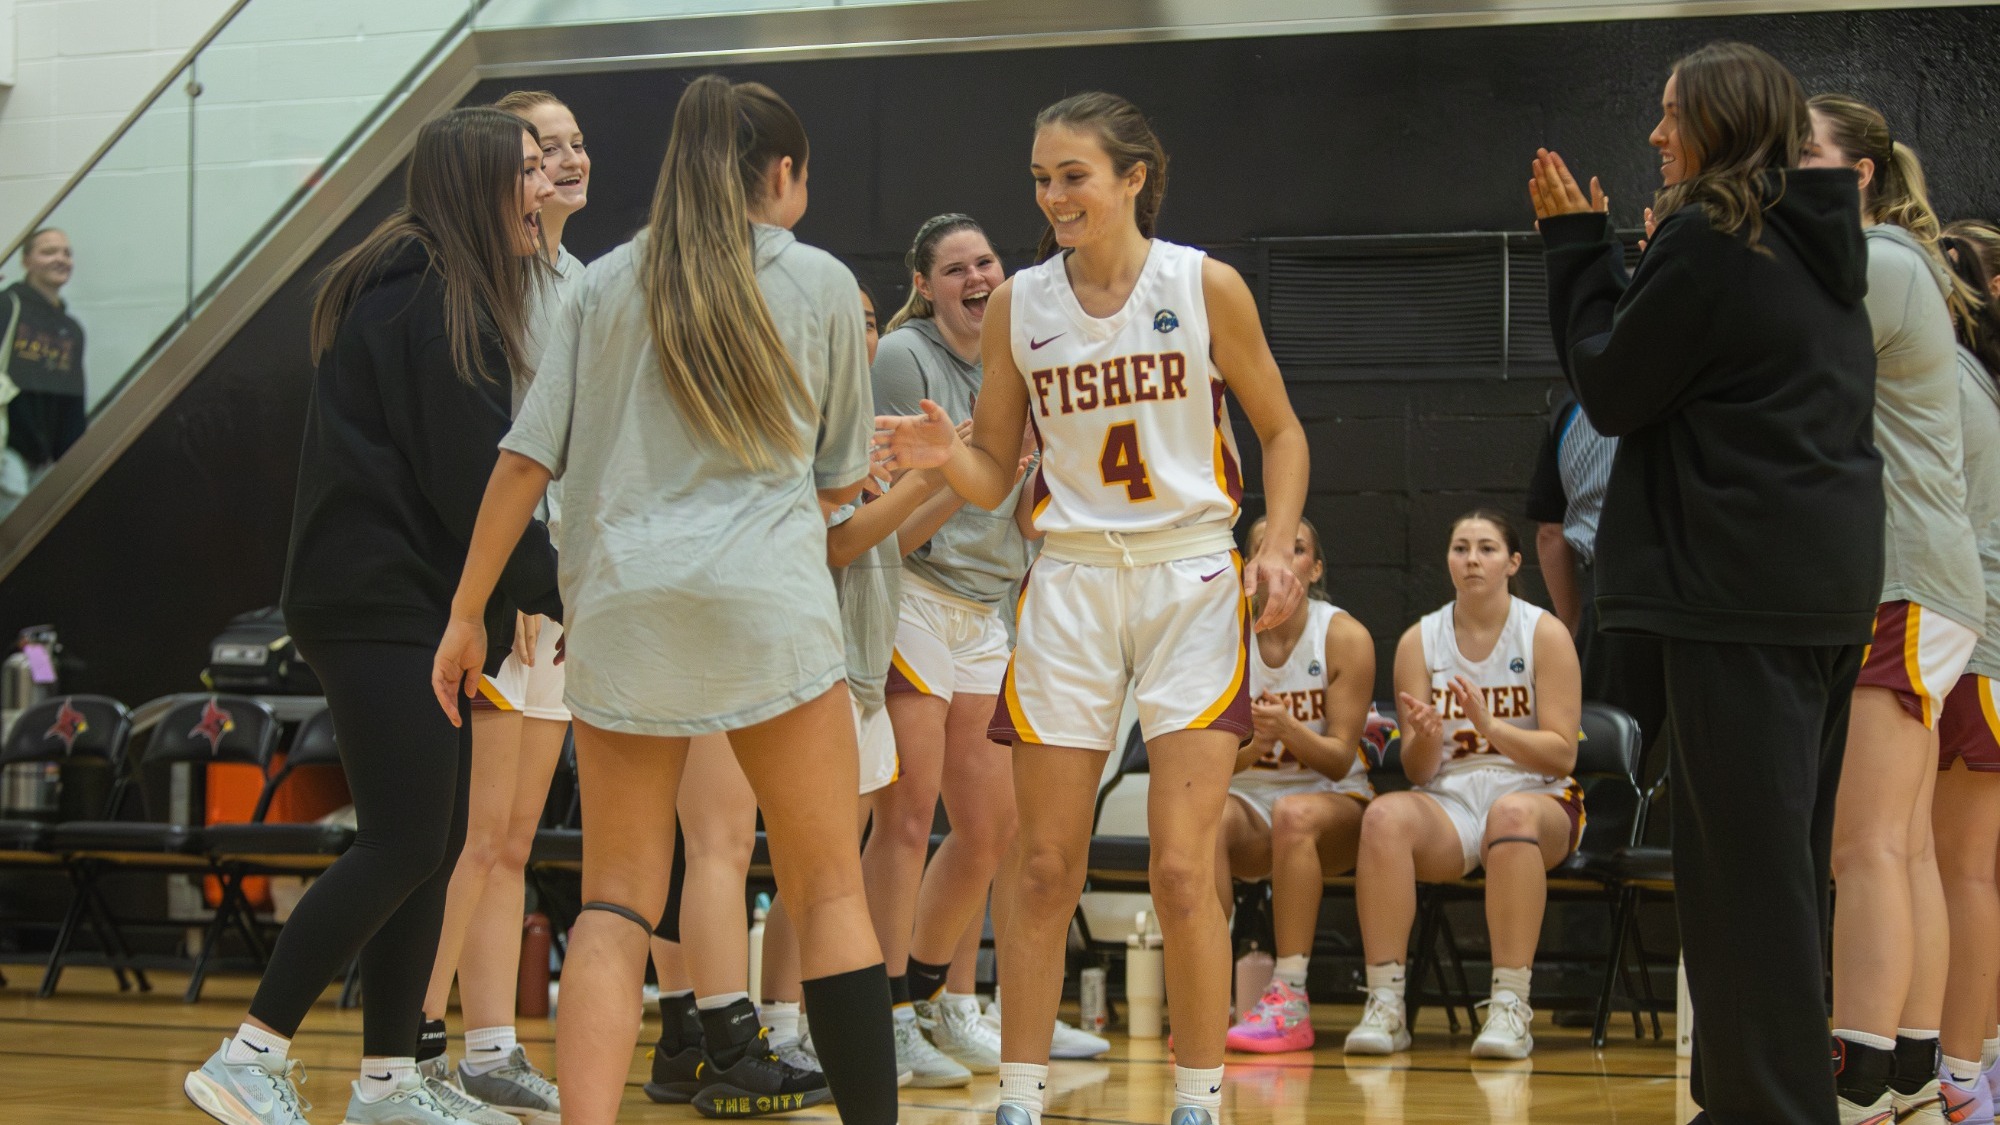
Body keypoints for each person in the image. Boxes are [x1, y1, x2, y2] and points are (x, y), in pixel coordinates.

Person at [432, 75, 897, 1125]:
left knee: (615, 898)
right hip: (766, 608)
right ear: (778, 176)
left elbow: (519, 463)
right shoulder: (818, 281)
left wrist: (465, 614)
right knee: (828, 888)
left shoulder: (598, 286)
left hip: (624, 612)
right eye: (803, 178)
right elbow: (834, 477)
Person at [874, 90, 1312, 1125]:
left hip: (1189, 576)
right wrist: (949, 458)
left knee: (1175, 865)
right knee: (1038, 863)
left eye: (1072, 174)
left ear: (1131, 179)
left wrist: (1277, 539)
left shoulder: (1203, 285)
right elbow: (991, 470)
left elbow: (1281, 431)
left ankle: (1197, 1099)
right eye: (1038, 177)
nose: (1052, 195)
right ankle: (1019, 1098)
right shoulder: (1021, 305)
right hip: (1067, 579)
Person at [184, 106, 562, 1125]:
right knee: (400, 841)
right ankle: (248, 1053)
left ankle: (389, 1082)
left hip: (409, 600)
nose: (545, 187)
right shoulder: (427, 296)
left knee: (428, 845)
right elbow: (468, 479)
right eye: (527, 170)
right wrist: (563, 588)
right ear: (480, 181)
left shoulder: (436, 289)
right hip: (377, 602)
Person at [1533, 41, 1883, 1125]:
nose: (1653, 134)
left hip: (1733, 593)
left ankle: (1771, 1110)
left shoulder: (1712, 237)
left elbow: (1612, 386)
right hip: (1816, 592)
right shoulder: (1809, 242)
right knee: (1774, 873)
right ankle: (1753, 1099)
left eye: (1670, 112)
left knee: (1742, 885)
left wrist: (1574, 250)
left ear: (1722, 123)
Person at [1802, 94, 1986, 1125]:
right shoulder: (1894, 263)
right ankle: (1910, 1073)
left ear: (1857, 172)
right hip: (1929, 582)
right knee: (1903, 847)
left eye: (1802, 155)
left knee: (1863, 847)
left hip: (1902, 577)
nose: (1781, 170)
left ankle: (1859, 1078)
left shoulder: (1869, 259)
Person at [413, 88, 591, 1125]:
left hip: (563, 585)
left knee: (515, 841)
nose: (561, 163)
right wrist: (516, 578)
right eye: (540, 149)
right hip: (511, 589)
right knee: (471, 841)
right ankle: (416, 1048)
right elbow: (498, 457)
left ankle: (489, 1049)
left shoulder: (579, 279)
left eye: (572, 146)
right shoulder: (487, 287)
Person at [864, 212, 1046, 1082]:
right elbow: (892, 512)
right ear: (926, 285)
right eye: (955, 268)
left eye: (986, 261)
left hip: (989, 604)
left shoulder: (1017, 357)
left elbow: (1020, 502)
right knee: (906, 813)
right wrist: (974, 461)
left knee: (991, 827)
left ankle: (941, 998)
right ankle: (886, 1010)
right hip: (914, 594)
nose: (976, 277)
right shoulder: (906, 357)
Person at [1342, 511, 1583, 1061]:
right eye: (1460, 548)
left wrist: (1491, 726)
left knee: (1511, 816)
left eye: (1487, 548)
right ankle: (1385, 1004)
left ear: (1513, 562)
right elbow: (1420, 772)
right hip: (1450, 797)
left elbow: (1563, 752)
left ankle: (1510, 1005)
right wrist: (1425, 738)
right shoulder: (1418, 641)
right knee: (1382, 817)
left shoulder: (1542, 632)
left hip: (1538, 795)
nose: (1472, 559)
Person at [1218, 514, 1375, 1055]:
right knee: (1199, 821)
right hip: (1251, 800)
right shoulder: (1224, 636)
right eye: (1266, 550)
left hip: (1335, 803)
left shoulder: (1343, 636)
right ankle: (1208, 987)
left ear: (1315, 569)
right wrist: (1252, 751)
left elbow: (1338, 761)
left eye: (1296, 549)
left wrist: (1286, 730)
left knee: (1295, 813)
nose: (1281, 561)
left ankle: (1290, 996)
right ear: (1248, 569)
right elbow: (1209, 764)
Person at [1928, 225, 2000, 1122]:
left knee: (1958, 873)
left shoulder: (1950, 382)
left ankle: (1958, 1068)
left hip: (1969, 643)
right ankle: (1975, 1064)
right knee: (1971, 872)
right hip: (1979, 644)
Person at [0, 228, 85, 515]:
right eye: (49, 251)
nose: (61, 259)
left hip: (45, 458)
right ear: (26, 261)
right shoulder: (6, 307)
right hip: (6, 447)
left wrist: (72, 462)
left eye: (67, 253)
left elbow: (73, 399)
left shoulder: (71, 329)